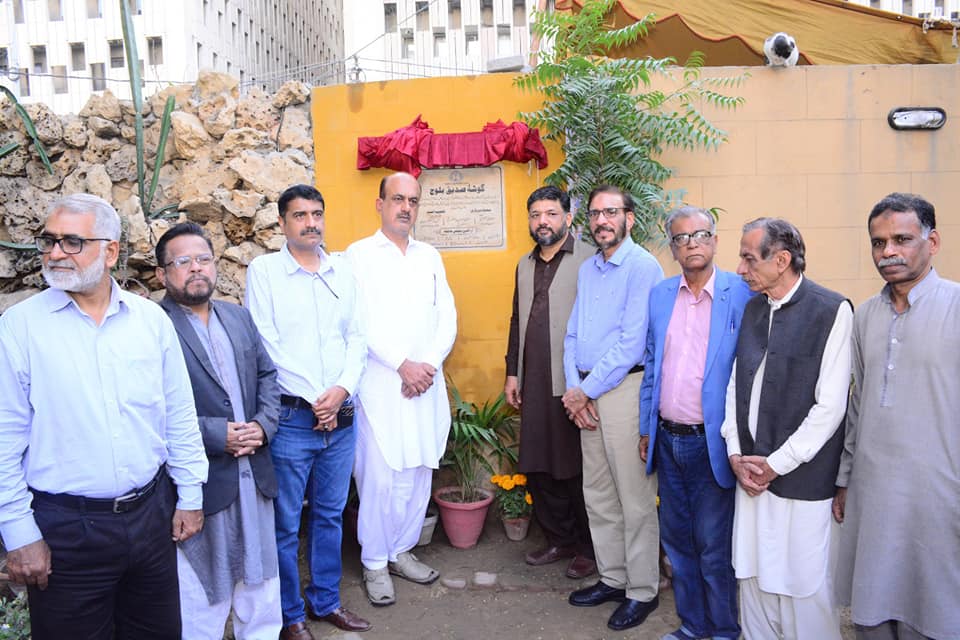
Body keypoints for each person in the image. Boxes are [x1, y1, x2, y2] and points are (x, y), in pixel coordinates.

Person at [0, 194, 208, 640]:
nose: (56, 253)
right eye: (49, 241)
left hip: (151, 518)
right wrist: (19, 532)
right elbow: (4, 437)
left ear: (111, 251)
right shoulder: (20, 327)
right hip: (65, 530)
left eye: (72, 241)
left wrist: (190, 493)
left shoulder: (150, 321)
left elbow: (178, 413)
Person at [833, 193, 960, 640]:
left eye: (902, 239)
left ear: (933, 242)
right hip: (874, 491)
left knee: (934, 607)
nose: (888, 252)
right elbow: (858, 403)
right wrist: (845, 478)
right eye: (878, 242)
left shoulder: (956, 306)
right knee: (872, 605)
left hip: (940, 492)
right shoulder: (865, 315)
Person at [245, 184, 370, 639]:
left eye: (317, 214)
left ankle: (326, 601)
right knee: (284, 522)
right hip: (293, 420)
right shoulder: (264, 272)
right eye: (300, 215)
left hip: (341, 418)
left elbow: (358, 338)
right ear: (282, 223)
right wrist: (320, 399)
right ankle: (290, 614)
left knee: (330, 514)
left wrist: (340, 391)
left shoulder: (343, 271)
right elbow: (266, 345)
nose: (311, 223)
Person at [720, 217, 851, 640]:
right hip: (751, 476)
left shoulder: (832, 310)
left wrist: (776, 464)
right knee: (753, 574)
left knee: (804, 584)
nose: (740, 269)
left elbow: (830, 407)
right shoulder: (754, 308)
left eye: (748, 259)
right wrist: (735, 453)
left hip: (802, 480)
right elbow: (736, 385)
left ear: (781, 260)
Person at [156, 222, 283, 639]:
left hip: (253, 476)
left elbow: (267, 376)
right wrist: (216, 434)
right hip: (201, 485)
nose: (196, 268)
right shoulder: (153, 326)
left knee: (261, 589)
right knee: (201, 597)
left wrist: (263, 426)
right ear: (161, 273)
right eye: (183, 261)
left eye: (204, 259)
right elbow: (148, 409)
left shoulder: (237, 316)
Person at [639, 206, 752, 640]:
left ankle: (724, 630)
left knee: (713, 545)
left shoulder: (741, 292)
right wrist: (647, 428)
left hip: (713, 443)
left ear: (715, 241)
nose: (692, 244)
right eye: (682, 238)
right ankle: (693, 625)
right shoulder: (661, 295)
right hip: (668, 440)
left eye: (701, 235)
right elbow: (653, 365)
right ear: (672, 248)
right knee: (678, 542)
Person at [345, 172, 457, 608]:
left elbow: (446, 316)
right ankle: (375, 561)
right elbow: (357, 322)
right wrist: (401, 365)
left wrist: (427, 365)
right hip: (382, 384)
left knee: (418, 470)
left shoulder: (430, 256)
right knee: (380, 476)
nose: (406, 207)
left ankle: (401, 551)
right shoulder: (358, 256)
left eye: (413, 200)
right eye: (397, 199)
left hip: (424, 384)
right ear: (380, 204)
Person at [562, 185, 664, 631]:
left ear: (629, 218)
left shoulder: (643, 267)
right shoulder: (588, 269)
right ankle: (613, 577)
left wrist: (584, 391)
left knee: (634, 497)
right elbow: (572, 335)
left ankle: (642, 590)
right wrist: (574, 388)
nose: (601, 220)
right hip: (586, 391)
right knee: (599, 493)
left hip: (624, 389)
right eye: (595, 213)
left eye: (610, 212)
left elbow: (630, 343)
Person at [504, 186, 596, 579]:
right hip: (534, 381)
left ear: (568, 218)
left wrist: (590, 387)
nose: (543, 221)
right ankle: (559, 539)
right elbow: (517, 320)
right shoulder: (524, 265)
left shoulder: (590, 259)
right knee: (538, 465)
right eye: (536, 214)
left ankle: (590, 547)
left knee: (575, 467)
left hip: (573, 384)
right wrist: (513, 372)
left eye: (551, 214)